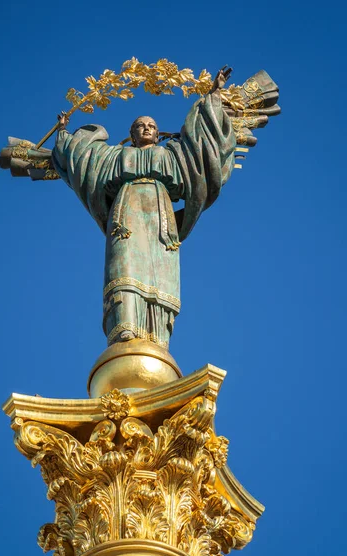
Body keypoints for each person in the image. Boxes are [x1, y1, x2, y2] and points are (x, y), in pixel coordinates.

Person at [52, 68, 236, 348]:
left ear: (159, 133)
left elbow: (202, 146)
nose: (147, 128)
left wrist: (213, 96)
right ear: (132, 134)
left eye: (151, 125)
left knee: (159, 274)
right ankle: (124, 327)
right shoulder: (115, 156)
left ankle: (156, 336)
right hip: (126, 214)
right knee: (123, 266)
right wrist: (64, 134)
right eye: (140, 125)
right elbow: (83, 157)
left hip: (161, 219)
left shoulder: (172, 154)